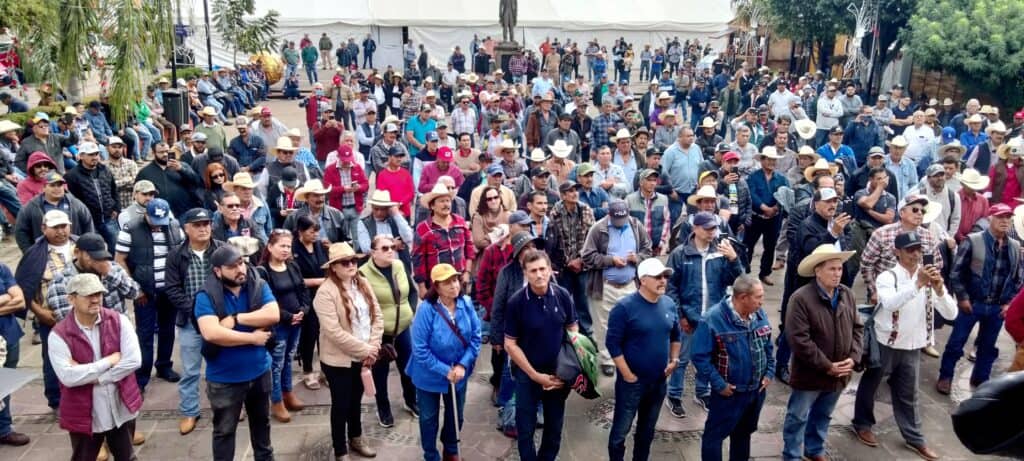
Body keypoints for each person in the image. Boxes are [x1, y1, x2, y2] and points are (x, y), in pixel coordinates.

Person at [852, 231, 955, 460]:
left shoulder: (928, 276)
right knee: (871, 384)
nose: (916, 254)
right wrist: (917, 284)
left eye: (918, 249)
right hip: (886, 341)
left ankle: (915, 438)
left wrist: (939, 290)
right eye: (910, 250)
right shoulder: (888, 277)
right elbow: (889, 303)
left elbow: (951, 313)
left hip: (913, 345)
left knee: (909, 394)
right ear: (897, 252)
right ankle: (862, 424)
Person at [194, 244, 279, 461]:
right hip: (225, 378)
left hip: (260, 371)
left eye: (241, 262)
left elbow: (273, 314)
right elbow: (212, 333)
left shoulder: (258, 285)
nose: (240, 269)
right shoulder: (206, 295)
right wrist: (252, 337)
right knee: (224, 432)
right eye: (232, 266)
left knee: (263, 428)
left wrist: (236, 319)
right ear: (217, 271)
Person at [49, 273, 143, 461]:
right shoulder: (58, 335)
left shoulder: (119, 321)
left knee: (128, 458)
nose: (95, 299)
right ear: (71, 299)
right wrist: (108, 362)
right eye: (88, 295)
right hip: (83, 412)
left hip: (120, 406)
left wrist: (95, 377)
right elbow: (67, 377)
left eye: (98, 294)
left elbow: (133, 361)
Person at [782, 245, 862, 461]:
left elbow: (858, 329)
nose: (838, 274)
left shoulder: (847, 294)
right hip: (810, 375)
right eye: (832, 269)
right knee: (797, 417)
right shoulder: (800, 298)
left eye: (839, 269)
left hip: (840, 373)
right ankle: (791, 456)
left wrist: (852, 359)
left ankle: (814, 449)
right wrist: (828, 366)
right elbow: (799, 340)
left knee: (824, 415)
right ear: (817, 271)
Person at [938, 204, 1024, 394]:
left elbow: (1018, 279)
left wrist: (1009, 303)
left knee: (987, 347)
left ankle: (981, 380)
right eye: (1001, 217)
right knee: (956, 343)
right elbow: (956, 273)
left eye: (1008, 218)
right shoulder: (973, 241)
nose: (1005, 221)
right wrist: (962, 297)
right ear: (990, 218)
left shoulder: (1015, 247)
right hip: (973, 303)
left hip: (997, 307)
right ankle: (945, 376)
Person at [665, 211, 743, 417]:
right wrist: (680, 315)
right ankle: (673, 394)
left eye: (715, 228)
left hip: (712, 319)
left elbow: (738, 281)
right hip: (688, 319)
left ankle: (703, 392)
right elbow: (670, 288)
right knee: (680, 359)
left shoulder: (721, 252)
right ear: (695, 228)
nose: (712, 232)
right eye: (708, 228)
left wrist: (734, 259)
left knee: (707, 358)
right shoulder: (680, 254)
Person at [504, 250, 578, 461]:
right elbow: (510, 344)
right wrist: (535, 375)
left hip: (557, 375)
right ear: (525, 273)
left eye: (542, 269)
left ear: (549, 269)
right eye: (533, 270)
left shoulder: (562, 295)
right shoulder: (516, 303)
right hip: (527, 375)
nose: (539, 274)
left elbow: (573, 329)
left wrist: (569, 365)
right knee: (525, 428)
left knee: (554, 428)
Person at [606, 258, 681, 461]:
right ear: (643, 280)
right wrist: (628, 375)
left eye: (665, 276)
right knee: (620, 433)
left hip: (658, 382)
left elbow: (676, 336)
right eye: (657, 277)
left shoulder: (669, 304)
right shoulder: (624, 308)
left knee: (646, 432)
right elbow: (612, 344)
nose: (663, 281)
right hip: (632, 384)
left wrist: (674, 360)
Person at [692, 275, 774, 461]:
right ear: (743, 297)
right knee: (714, 437)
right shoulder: (712, 319)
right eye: (758, 296)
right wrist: (719, 384)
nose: (762, 301)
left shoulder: (759, 313)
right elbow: (699, 357)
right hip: (729, 395)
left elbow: (768, 346)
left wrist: (769, 372)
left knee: (743, 434)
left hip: (755, 392)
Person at [313, 242, 382, 459]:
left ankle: (356, 437)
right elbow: (333, 332)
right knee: (341, 404)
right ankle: (340, 450)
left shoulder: (362, 282)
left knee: (356, 401)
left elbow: (377, 316)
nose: (352, 265)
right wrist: (366, 350)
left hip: (363, 355)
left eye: (354, 260)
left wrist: (374, 344)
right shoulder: (325, 293)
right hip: (338, 360)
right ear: (333, 267)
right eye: (345, 262)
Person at [407, 263, 481, 461]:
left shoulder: (465, 303)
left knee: (456, 415)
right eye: (447, 282)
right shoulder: (426, 310)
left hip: (458, 373)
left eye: (455, 280)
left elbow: (476, 338)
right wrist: (444, 370)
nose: (454, 285)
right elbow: (420, 349)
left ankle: (451, 449)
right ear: (436, 286)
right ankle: (431, 454)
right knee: (428, 418)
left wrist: (462, 365)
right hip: (428, 374)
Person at [162, 208, 222, 435]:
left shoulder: (221, 249)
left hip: (221, 319)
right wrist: (196, 311)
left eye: (206, 223)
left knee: (222, 366)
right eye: (197, 225)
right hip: (189, 321)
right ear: (186, 228)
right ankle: (189, 411)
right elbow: (172, 289)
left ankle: (227, 407)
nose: (203, 228)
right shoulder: (176, 255)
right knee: (190, 370)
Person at [115, 198, 183, 392]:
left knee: (168, 329)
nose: (157, 226)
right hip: (144, 290)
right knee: (144, 333)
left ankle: (164, 366)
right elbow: (119, 260)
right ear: (145, 214)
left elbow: (180, 253)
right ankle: (141, 376)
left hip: (168, 289)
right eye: (153, 220)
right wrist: (135, 288)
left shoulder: (173, 226)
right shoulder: (130, 228)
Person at [582, 200, 652, 376]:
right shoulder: (598, 229)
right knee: (604, 325)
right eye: (616, 220)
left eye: (623, 219)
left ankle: (628, 355)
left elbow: (648, 249)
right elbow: (587, 256)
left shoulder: (636, 226)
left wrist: (637, 258)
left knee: (632, 323)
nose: (620, 223)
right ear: (609, 215)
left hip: (630, 284)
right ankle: (607, 360)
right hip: (605, 286)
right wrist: (610, 260)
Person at [360, 235, 418, 427]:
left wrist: (409, 311)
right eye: (384, 248)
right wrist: (372, 332)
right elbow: (362, 307)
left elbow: (412, 290)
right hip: (380, 333)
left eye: (392, 247)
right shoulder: (362, 273)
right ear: (373, 252)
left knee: (408, 368)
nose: (390, 251)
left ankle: (411, 401)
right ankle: (383, 409)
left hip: (402, 328)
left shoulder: (399, 266)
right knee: (380, 373)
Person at [258, 231, 309, 423]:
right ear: (270, 247)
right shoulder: (263, 271)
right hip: (278, 324)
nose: (286, 249)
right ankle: (277, 400)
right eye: (282, 246)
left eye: (288, 246)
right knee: (276, 363)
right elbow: (266, 299)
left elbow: (302, 289)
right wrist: (288, 316)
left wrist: (304, 310)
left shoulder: (292, 266)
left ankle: (288, 392)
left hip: (297, 322)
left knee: (288, 359)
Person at [412, 183, 475, 294]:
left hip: (459, 281)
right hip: (436, 284)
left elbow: (469, 249)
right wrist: (421, 287)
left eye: (448, 201)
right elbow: (418, 260)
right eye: (441, 201)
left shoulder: (460, 222)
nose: (446, 205)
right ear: (432, 206)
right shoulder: (423, 229)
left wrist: (467, 272)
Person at [290, 216, 329, 389]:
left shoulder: (320, 246)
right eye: (311, 231)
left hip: (324, 296)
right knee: (309, 334)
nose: (315, 235)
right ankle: (308, 371)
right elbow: (294, 278)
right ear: (301, 231)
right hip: (305, 297)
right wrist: (318, 282)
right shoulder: (293, 249)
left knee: (326, 334)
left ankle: (325, 370)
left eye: (317, 231)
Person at [14, 171, 94, 253]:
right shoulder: (31, 207)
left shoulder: (76, 204)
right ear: (44, 187)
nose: (57, 188)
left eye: (59, 185)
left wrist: (86, 248)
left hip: (74, 251)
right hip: (44, 253)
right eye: (52, 185)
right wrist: (30, 253)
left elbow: (88, 225)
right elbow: (21, 232)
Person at [743, 147, 789, 285]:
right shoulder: (753, 176)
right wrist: (764, 207)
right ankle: (745, 271)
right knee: (748, 245)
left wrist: (776, 207)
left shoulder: (781, 178)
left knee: (770, 246)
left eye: (773, 160)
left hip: (774, 218)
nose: (771, 162)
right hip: (756, 216)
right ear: (762, 160)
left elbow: (786, 194)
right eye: (768, 159)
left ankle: (765, 273)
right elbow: (752, 194)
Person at [0, 259, 27, 447]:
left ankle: (3, 429)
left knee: (5, 383)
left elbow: (20, 301)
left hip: (8, 334)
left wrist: (11, 299)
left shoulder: (1, 267)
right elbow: (12, 298)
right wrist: (5, 298)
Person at [135, 142, 202, 217]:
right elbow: (138, 193)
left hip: (184, 212)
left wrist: (181, 170)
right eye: (161, 152)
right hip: (159, 214)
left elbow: (196, 181)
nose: (165, 154)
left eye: (167, 151)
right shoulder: (145, 172)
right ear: (153, 153)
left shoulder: (182, 165)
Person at [283, 179, 350, 243]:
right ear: (307, 198)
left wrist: (332, 247)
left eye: (322, 195)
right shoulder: (293, 217)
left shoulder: (337, 215)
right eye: (316, 195)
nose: (320, 199)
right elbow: (286, 240)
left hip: (332, 254)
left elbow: (346, 241)